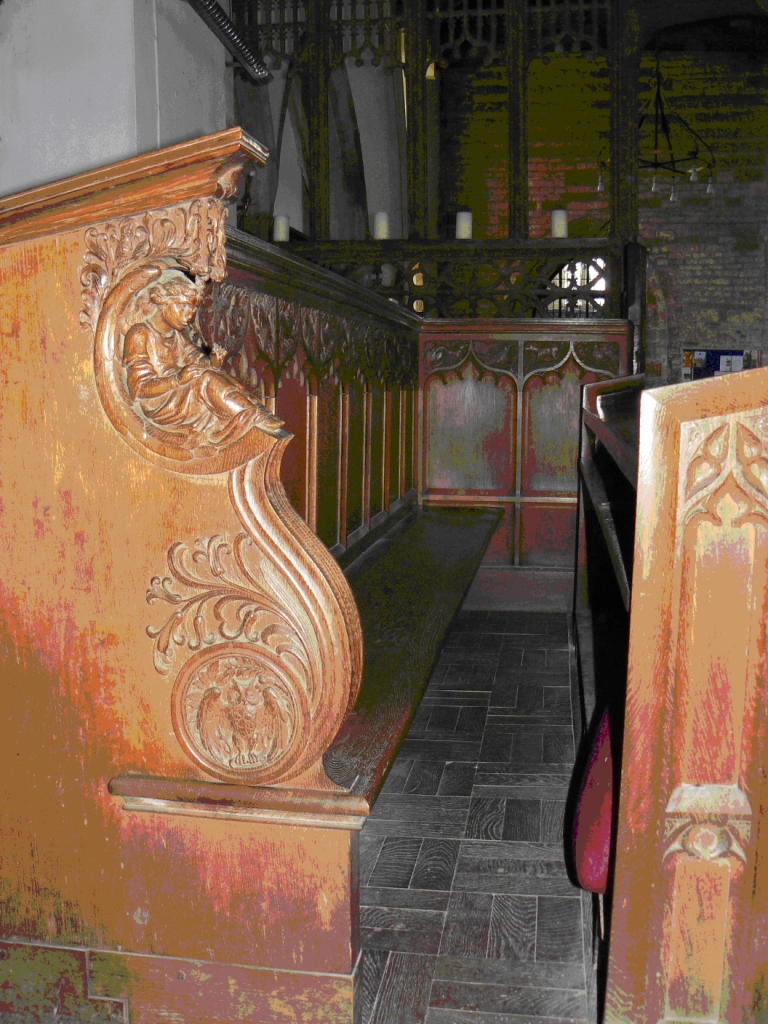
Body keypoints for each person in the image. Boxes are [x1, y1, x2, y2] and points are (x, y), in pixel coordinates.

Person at [122, 272, 284, 449]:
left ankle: (252, 408)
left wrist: (214, 362)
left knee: (221, 378)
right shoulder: (140, 334)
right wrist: (177, 380)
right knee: (205, 379)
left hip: (182, 393)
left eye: (191, 309)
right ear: (163, 302)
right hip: (160, 402)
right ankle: (250, 415)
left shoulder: (176, 335)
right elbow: (138, 389)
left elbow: (197, 361)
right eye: (182, 307)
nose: (188, 316)